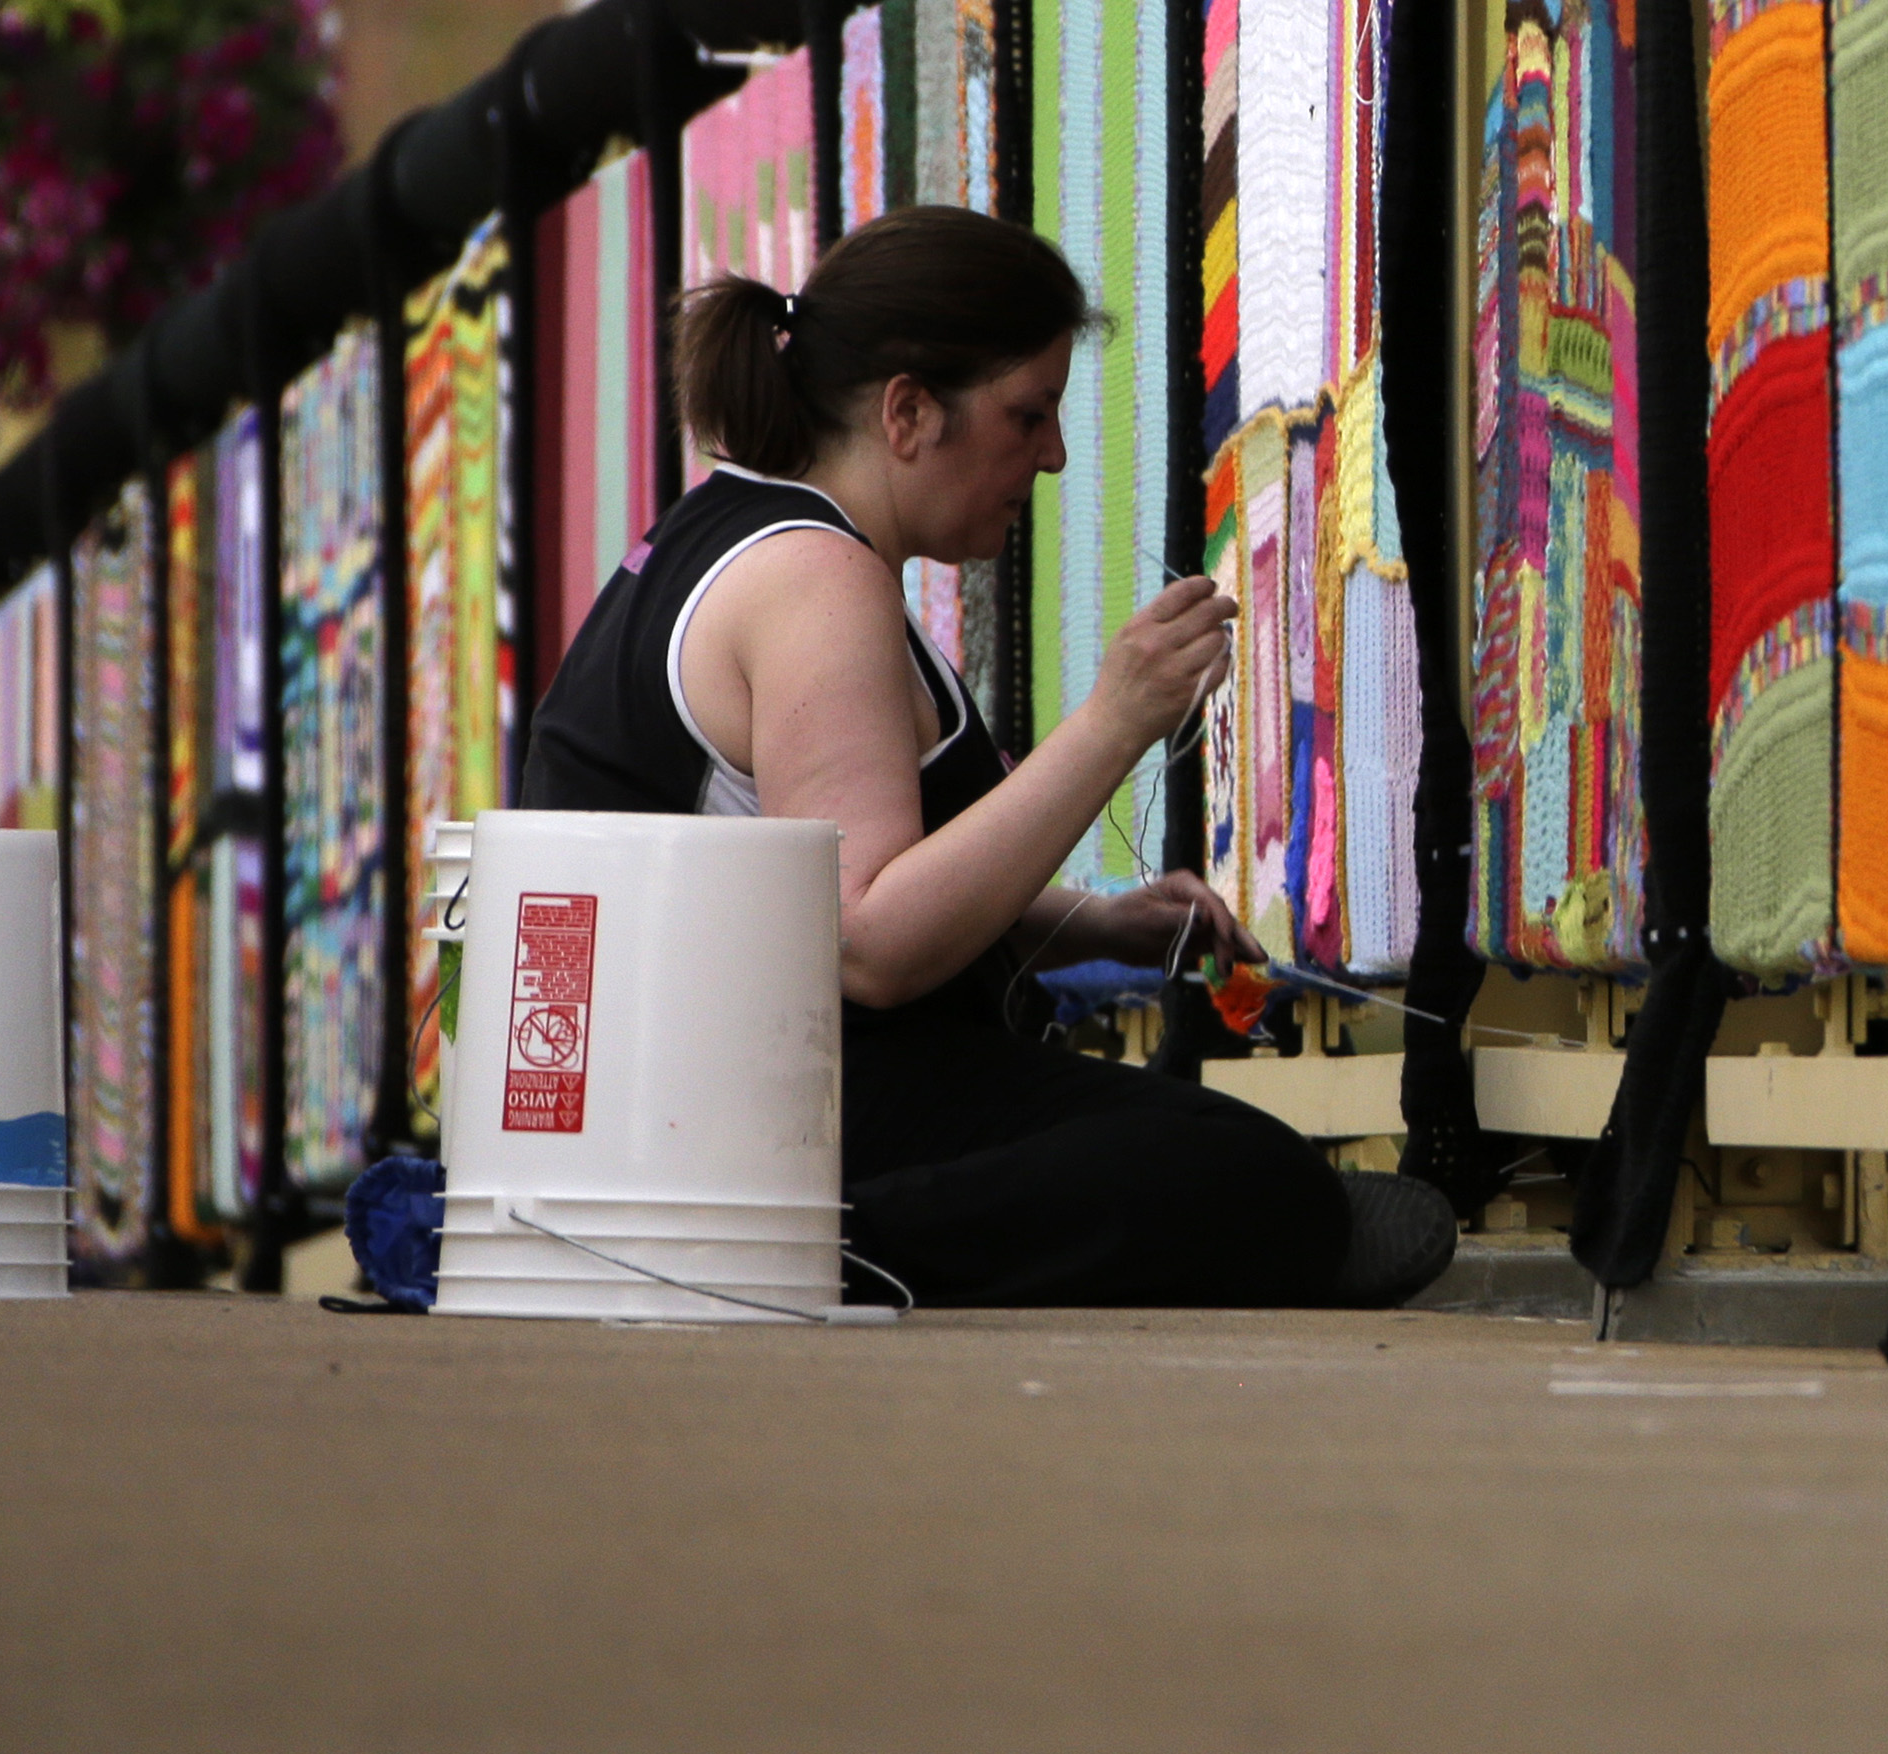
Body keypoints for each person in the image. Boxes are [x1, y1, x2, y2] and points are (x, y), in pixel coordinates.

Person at [517, 203, 1455, 1310]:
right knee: (1251, 1178)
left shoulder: (727, 529)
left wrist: (1085, 921)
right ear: (909, 410)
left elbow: (805, 881)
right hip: (747, 1114)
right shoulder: (816, 580)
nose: (1052, 456)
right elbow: (868, 940)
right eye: (1029, 414)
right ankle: (779, 1247)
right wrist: (1115, 719)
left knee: (1220, 1151)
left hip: (671, 1095)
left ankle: (780, 1236)